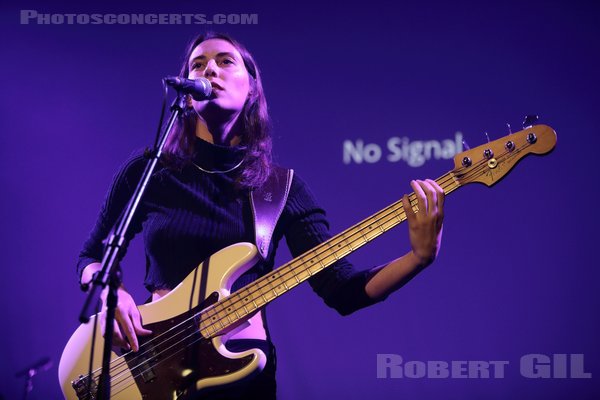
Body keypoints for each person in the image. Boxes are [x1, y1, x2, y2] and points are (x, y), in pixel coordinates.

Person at [77, 32, 445, 399]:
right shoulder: (151, 170)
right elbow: (90, 257)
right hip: (152, 366)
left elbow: (343, 291)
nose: (210, 70)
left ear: (252, 88)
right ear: (187, 94)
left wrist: (418, 258)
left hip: (240, 375)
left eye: (225, 61)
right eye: (198, 65)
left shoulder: (281, 189)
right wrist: (113, 291)